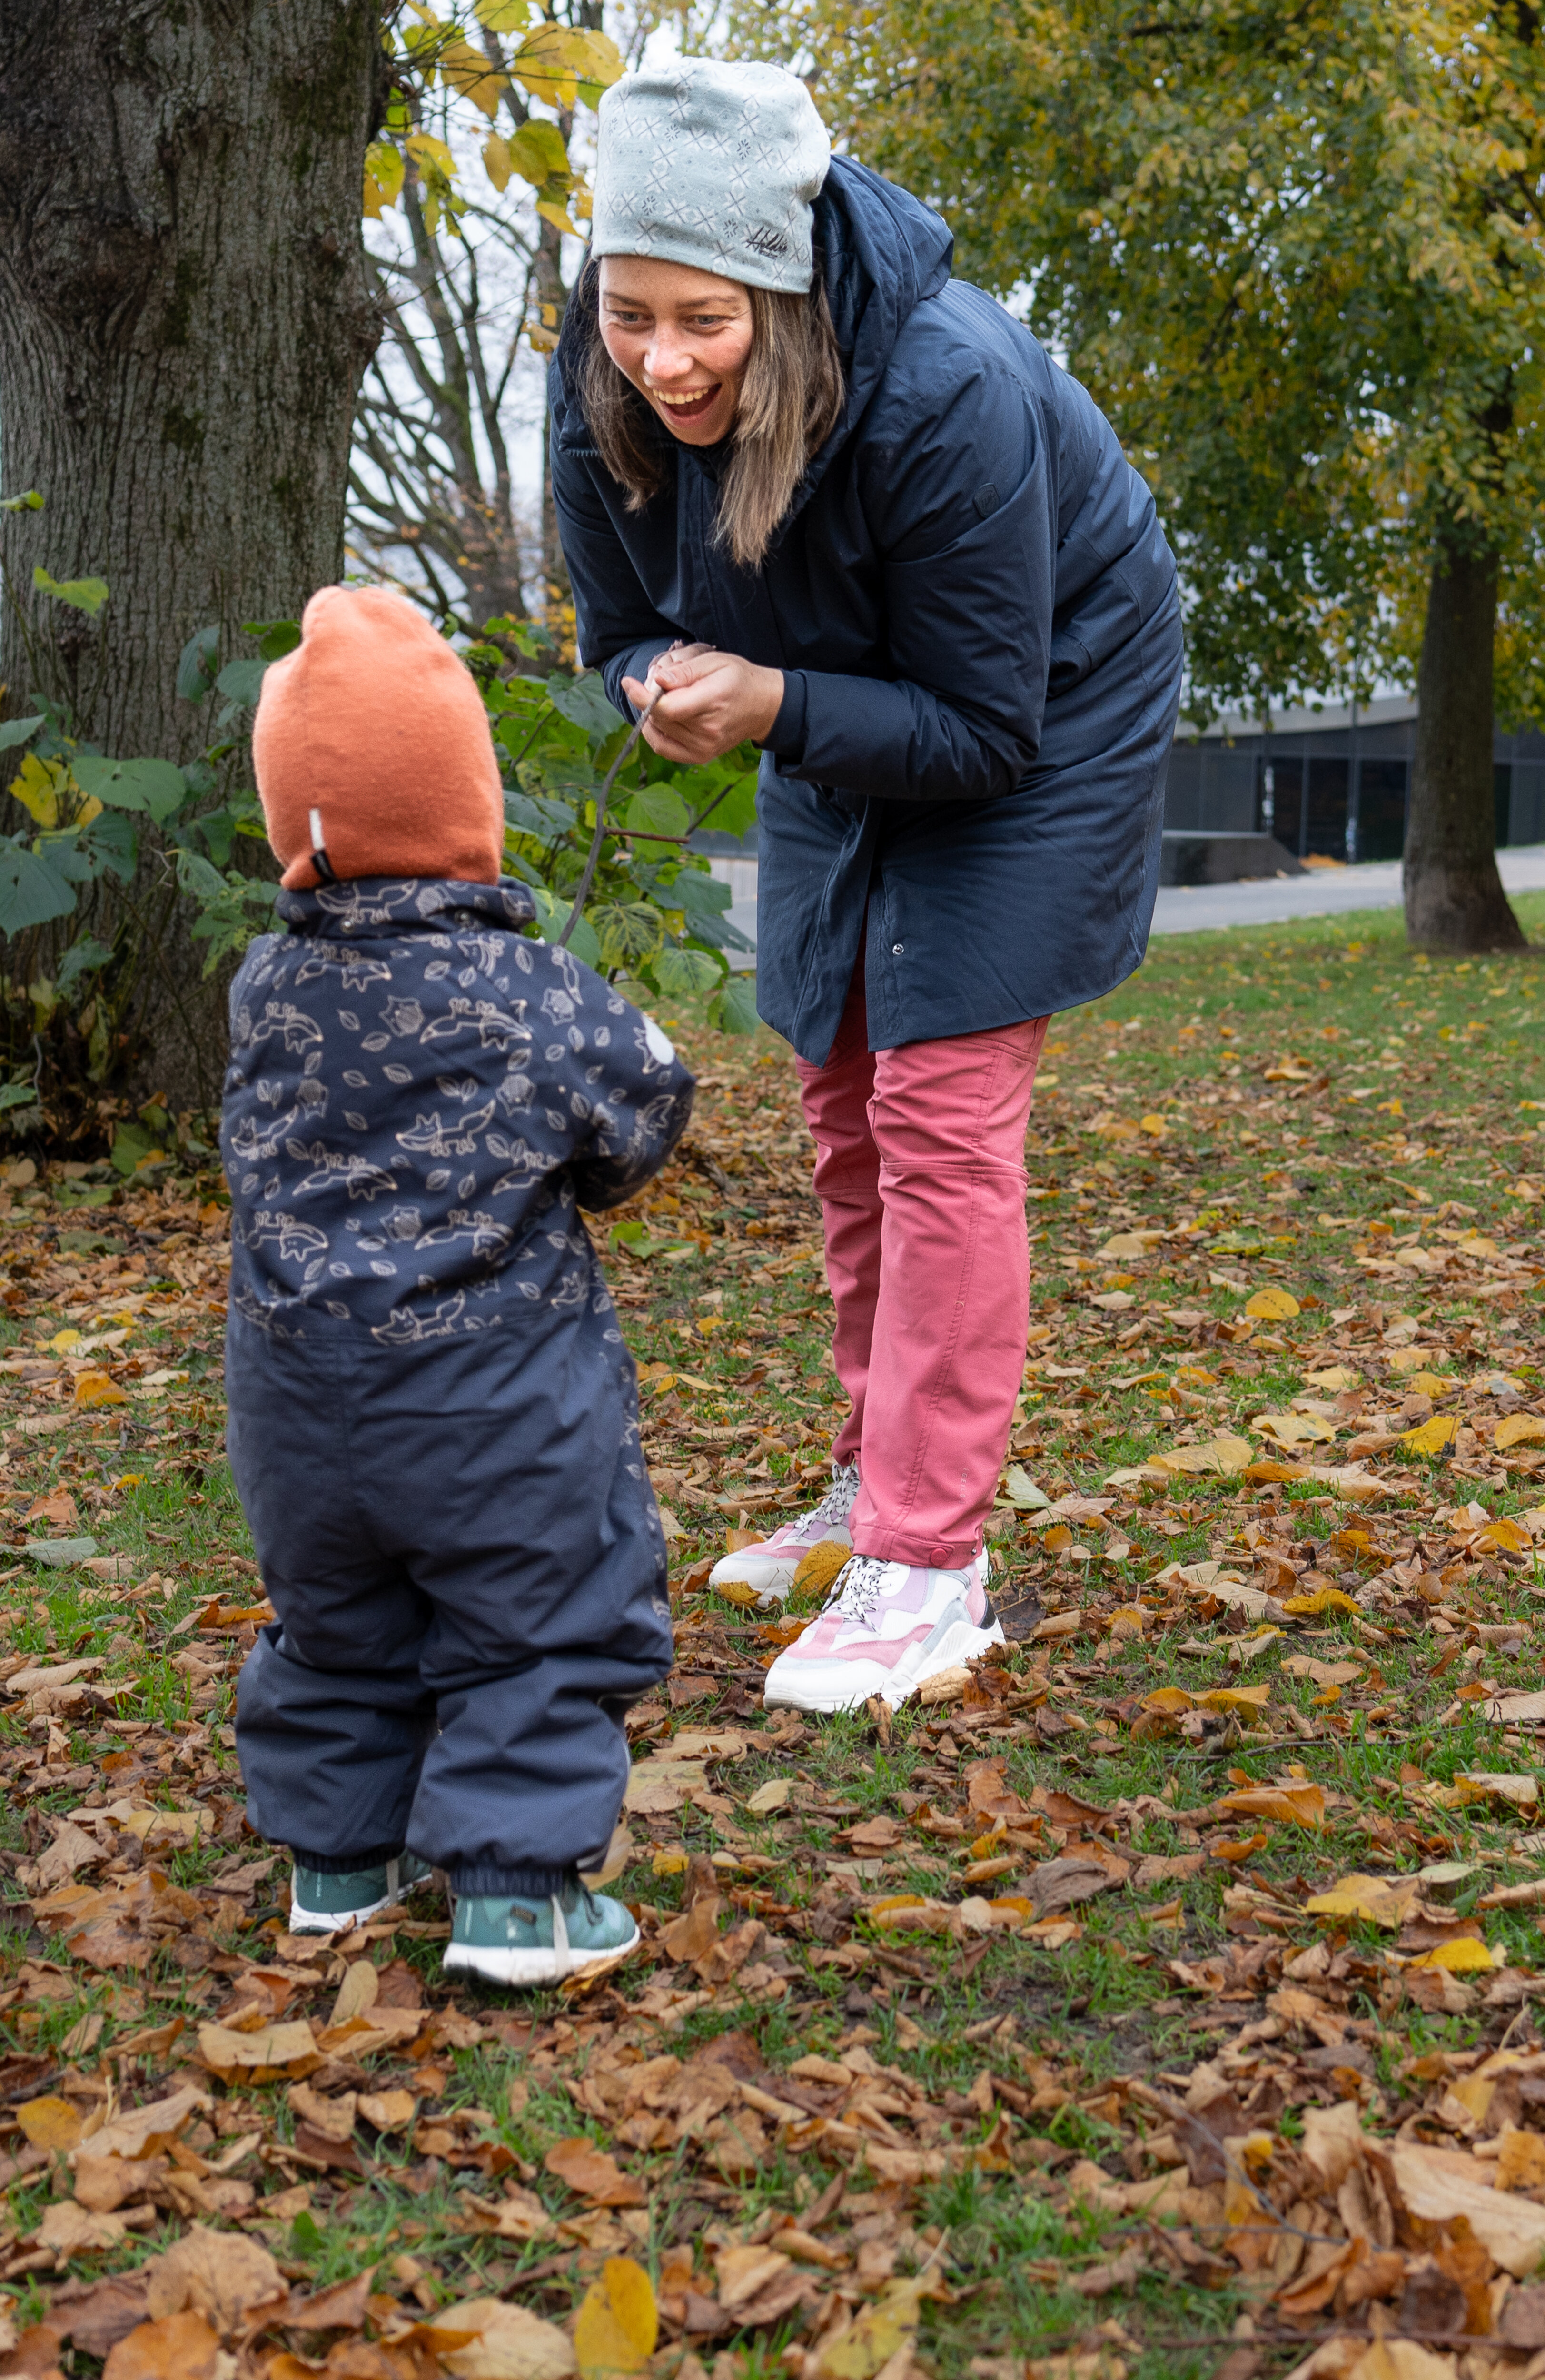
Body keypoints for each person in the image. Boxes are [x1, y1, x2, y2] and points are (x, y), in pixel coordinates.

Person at [551, 59, 1183, 1714]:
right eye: (633, 314)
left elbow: (984, 725)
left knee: (941, 1111)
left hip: (1047, 700)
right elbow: (616, 619)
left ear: (782, 281)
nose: (663, 362)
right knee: (838, 1095)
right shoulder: (602, 366)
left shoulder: (944, 386)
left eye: (706, 321)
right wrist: (662, 685)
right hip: (830, 689)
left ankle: (931, 1557)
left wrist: (769, 707)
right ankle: (869, 1476)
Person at [224, 585, 693, 1984]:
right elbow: (647, 1108)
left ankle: (339, 1867)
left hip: (297, 1405)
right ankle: (514, 1898)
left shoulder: (263, 992)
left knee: (337, 1628)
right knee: (538, 1620)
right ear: (468, 805)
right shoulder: (532, 989)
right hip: (497, 1403)